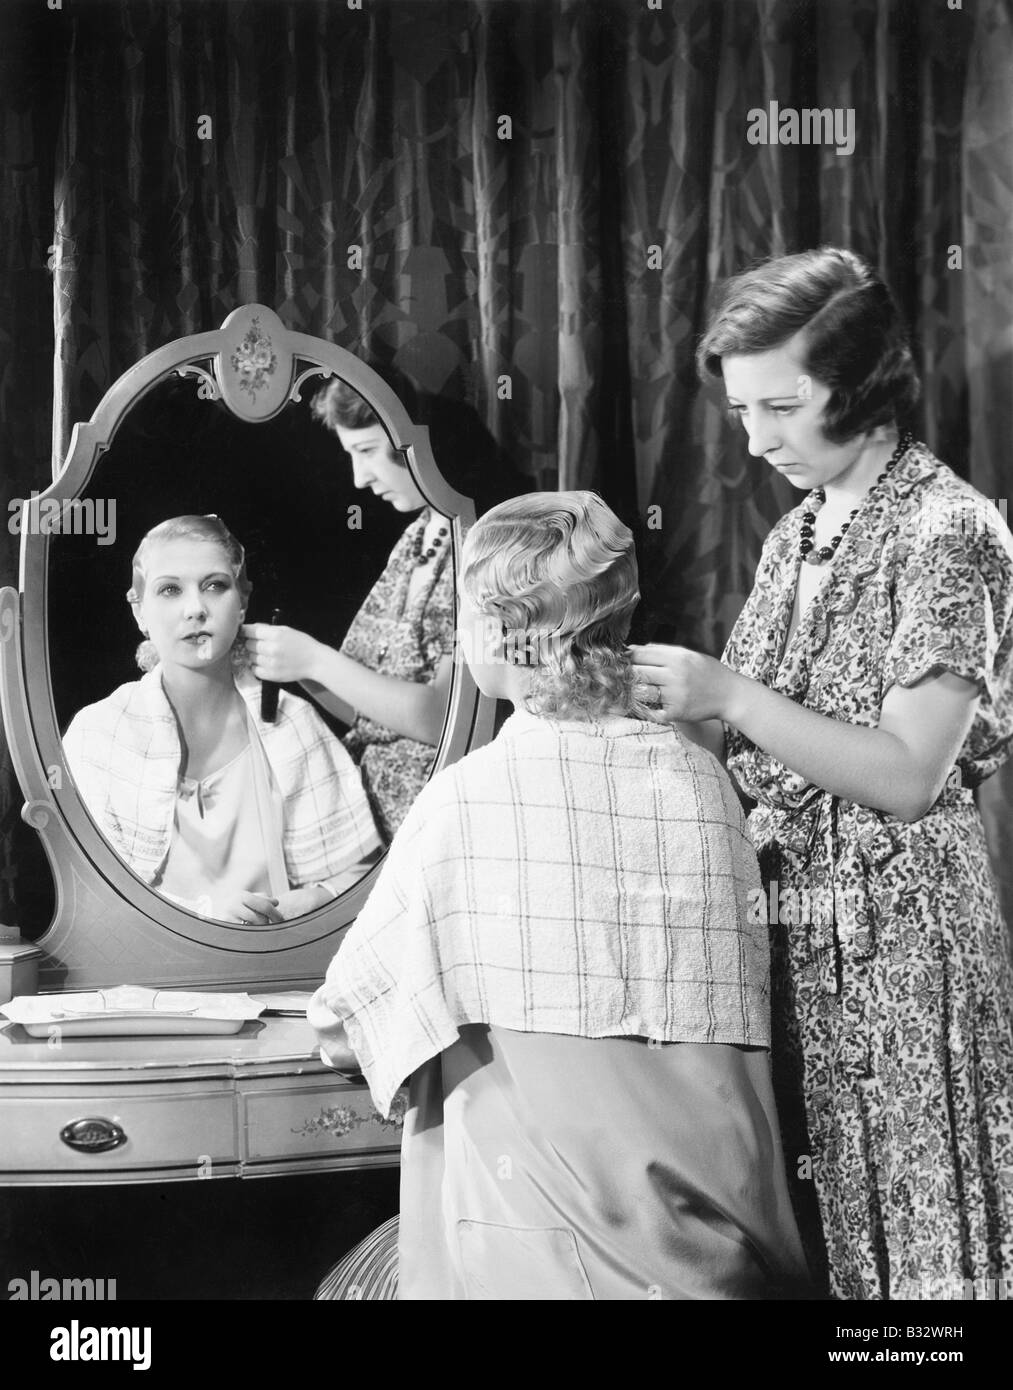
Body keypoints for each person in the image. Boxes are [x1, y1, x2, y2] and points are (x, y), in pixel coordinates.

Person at [309, 491, 810, 1300]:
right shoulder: (702, 785)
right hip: (708, 1255)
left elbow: (346, 1022)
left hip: (532, 1261)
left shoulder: (469, 799)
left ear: (499, 634)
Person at [631, 247, 1013, 1301]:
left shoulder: (947, 532)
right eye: (741, 413)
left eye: (781, 409)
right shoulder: (796, 532)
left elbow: (904, 774)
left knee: (921, 1255)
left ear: (860, 384)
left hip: (902, 950)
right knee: (827, 1251)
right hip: (797, 947)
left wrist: (731, 698)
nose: (755, 443)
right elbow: (750, 746)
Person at [63, 515, 381, 924]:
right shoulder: (98, 734)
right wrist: (205, 914)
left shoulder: (292, 723)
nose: (195, 609)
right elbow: (92, 898)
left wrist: (315, 899)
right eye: (170, 590)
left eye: (215, 585)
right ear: (139, 611)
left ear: (243, 600)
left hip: (278, 969)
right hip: (147, 976)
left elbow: (362, 873)